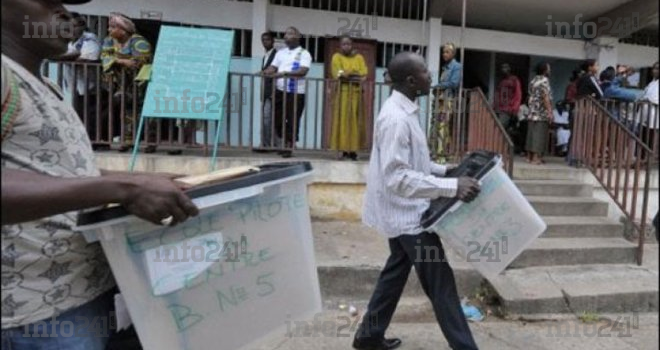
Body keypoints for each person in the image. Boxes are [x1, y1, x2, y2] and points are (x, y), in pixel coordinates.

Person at [1, 1, 199, 349]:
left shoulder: (48, 85)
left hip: (85, 294)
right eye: (47, 3)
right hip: (33, 316)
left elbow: (64, 173)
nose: (65, 15)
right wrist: (122, 187)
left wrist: (139, 181)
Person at [353, 52, 481, 350]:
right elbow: (398, 177)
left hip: (400, 214)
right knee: (442, 285)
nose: (430, 76)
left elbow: (413, 163)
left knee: (395, 274)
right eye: (425, 71)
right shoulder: (396, 119)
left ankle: (368, 337)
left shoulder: (404, 109)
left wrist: (444, 170)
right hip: (408, 216)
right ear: (411, 80)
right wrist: (451, 186)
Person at [100, 12, 153, 152]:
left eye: (112, 27)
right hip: (123, 83)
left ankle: (150, 141)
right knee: (126, 111)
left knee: (145, 111)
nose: (109, 30)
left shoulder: (139, 42)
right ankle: (128, 140)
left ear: (123, 30)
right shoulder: (109, 41)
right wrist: (121, 61)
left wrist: (117, 60)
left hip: (141, 82)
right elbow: (105, 57)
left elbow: (139, 62)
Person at [262, 27, 312, 158]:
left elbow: (303, 71)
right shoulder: (281, 53)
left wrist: (284, 73)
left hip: (296, 92)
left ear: (297, 36)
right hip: (280, 91)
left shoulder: (304, 53)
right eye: (285, 34)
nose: (286, 37)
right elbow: (273, 67)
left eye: (289, 34)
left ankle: (289, 146)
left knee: (292, 119)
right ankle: (285, 143)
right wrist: (266, 72)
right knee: (277, 119)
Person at [58, 12, 104, 148]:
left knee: (91, 117)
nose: (69, 29)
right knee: (78, 115)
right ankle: (84, 142)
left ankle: (93, 143)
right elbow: (56, 53)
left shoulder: (90, 39)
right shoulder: (67, 40)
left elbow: (87, 57)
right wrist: (67, 56)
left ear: (82, 26)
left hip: (91, 87)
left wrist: (64, 57)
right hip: (76, 86)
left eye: (73, 26)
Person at [329, 35, 368, 161]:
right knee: (342, 122)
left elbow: (363, 76)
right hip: (342, 93)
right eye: (343, 44)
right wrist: (353, 74)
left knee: (355, 122)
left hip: (356, 94)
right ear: (340, 46)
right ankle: (343, 150)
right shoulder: (336, 57)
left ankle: (353, 151)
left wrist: (348, 74)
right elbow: (338, 74)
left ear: (352, 45)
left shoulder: (359, 58)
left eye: (348, 44)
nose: (346, 46)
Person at [430, 43, 462, 163]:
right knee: (438, 126)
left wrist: (438, 86)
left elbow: (454, 83)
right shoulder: (445, 67)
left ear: (453, 54)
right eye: (443, 52)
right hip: (440, 99)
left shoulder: (456, 66)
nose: (444, 54)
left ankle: (441, 155)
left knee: (442, 127)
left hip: (447, 100)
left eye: (447, 52)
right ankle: (444, 153)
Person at [526, 62, 554, 165]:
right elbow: (545, 97)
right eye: (549, 68)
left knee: (531, 135)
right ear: (545, 70)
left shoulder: (533, 80)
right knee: (539, 135)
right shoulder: (544, 81)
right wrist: (550, 112)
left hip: (532, 111)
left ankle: (529, 157)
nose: (550, 70)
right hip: (541, 113)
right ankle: (536, 158)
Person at [254, 31, 278, 152]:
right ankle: (267, 144)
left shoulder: (276, 55)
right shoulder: (265, 57)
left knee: (268, 118)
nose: (265, 42)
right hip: (266, 92)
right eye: (263, 40)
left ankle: (267, 145)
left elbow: (274, 71)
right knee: (267, 118)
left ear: (273, 41)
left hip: (273, 91)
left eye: (267, 39)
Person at [494, 63, 522, 137]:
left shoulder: (514, 80)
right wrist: (494, 106)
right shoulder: (501, 82)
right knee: (501, 130)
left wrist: (515, 108)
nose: (503, 70)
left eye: (505, 68)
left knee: (500, 128)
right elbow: (497, 94)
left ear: (509, 69)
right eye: (502, 68)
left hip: (508, 109)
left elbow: (518, 94)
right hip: (500, 109)